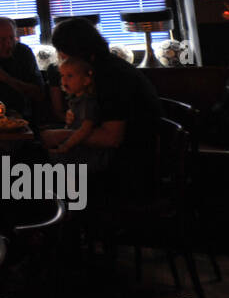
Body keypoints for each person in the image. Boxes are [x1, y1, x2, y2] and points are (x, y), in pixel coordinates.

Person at [49, 17, 161, 193]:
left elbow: (111, 138)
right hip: (124, 155)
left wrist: (61, 136)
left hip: (129, 164)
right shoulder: (104, 66)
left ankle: (66, 215)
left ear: (75, 51)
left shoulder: (111, 76)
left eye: (62, 52)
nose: (61, 58)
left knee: (39, 167)